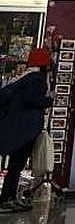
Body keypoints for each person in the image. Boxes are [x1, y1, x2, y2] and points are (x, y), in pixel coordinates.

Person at [0, 47, 52, 213]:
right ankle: (7, 199)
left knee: (15, 166)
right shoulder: (37, 78)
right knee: (17, 165)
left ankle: (8, 197)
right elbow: (32, 99)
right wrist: (48, 100)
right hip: (26, 130)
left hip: (16, 128)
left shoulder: (26, 77)